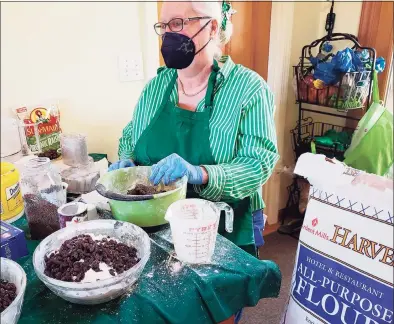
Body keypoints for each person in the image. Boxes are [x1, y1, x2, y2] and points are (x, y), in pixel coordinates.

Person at [110, 0, 279, 257]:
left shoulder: (249, 89)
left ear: (211, 27)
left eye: (178, 23)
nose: (169, 35)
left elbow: (258, 165)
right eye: (164, 26)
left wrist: (199, 173)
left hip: (222, 230)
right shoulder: (156, 87)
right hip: (157, 225)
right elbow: (130, 136)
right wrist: (127, 160)